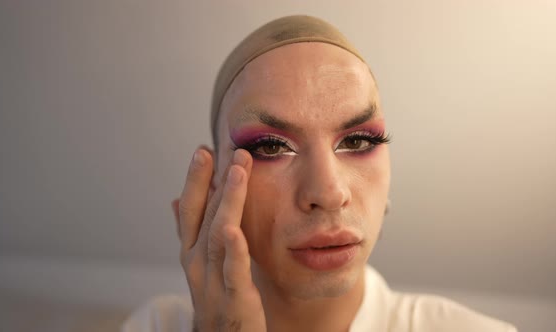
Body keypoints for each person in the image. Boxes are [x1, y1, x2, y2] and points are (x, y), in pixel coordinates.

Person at [122, 15, 517, 332]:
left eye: (359, 141)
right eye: (272, 147)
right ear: (211, 187)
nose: (329, 193)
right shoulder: (155, 325)